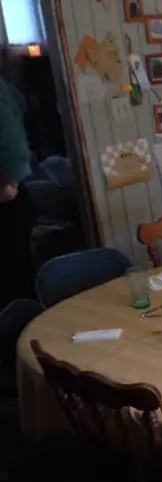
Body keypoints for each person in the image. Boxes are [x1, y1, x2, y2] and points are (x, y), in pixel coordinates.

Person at [0, 78, 35, 309]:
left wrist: (6, 181)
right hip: (14, 196)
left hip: (7, 200)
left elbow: (12, 143)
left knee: (13, 287)